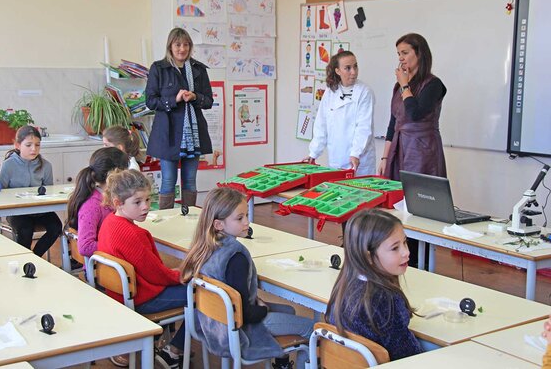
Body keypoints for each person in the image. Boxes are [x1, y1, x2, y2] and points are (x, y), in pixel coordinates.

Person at [180, 187, 314, 369]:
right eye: (239, 218)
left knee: (288, 310)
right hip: (240, 328)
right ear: (218, 225)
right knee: (311, 329)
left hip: (212, 324)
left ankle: (281, 364)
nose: (247, 222)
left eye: (246, 216)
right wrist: (263, 309)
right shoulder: (237, 257)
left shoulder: (205, 247)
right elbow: (246, 313)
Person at [98, 169, 186, 368]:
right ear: (118, 203)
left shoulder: (109, 222)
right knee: (206, 294)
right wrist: (182, 274)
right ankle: (174, 351)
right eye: (137, 202)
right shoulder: (134, 234)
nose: (145, 206)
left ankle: (161, 340)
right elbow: (158, 275)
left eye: (147, 199)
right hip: (142, 298)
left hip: (122, 294)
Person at [326, 209, 422, 361]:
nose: (406, 252)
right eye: (395, 248)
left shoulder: (344, 285)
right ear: (368, 256)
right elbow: (408, 355)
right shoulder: (386, 300)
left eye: (405, 242)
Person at [145, 27, 213, 210]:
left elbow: (208, 101)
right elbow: (150, 101)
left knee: (190, 180)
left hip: (194, 135)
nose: (182, 49)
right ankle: (166, 221)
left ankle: (188, 218)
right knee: (168, 180)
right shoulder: (159, 68)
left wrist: (195, 97)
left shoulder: (198, 69)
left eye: (186, 45)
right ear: (170, 46)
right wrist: (174, 99)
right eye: (178, 45)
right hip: (168, 133)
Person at [377, 33, 447, 180]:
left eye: (405, 53)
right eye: (398, 54)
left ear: (419, 54)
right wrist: (385, 158)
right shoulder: (398, 87)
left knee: (419, 191)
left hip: (422, 151)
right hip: (398, 149)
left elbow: (414, 114)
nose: (400, 58)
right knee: (396, 191)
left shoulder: (433, 84)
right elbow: (393, 124)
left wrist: (404, 85)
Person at [304, 50, 376, 176]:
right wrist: (313, 153)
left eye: (355, 66)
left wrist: (356, 153)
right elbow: (321, 124)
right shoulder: (330, 91)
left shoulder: (364, 92)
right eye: (348, 68)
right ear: (338, 71)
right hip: (336, 158)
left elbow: (364, 127)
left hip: (360, 161)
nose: (353, 72)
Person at [0, 126, 61, 257]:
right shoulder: (8, 165)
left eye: (37, 145)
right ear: (17, 145)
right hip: (17, 211)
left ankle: (35, 257)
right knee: (25, 230)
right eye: (28, 145)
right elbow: (0, 191)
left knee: (56, 227)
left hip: (40, 210)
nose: (34, 149)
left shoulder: (46, 165)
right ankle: (25, 261)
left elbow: (49, 190)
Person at [65, 147, 129, 258]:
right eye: (126, 172)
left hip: (115, 261)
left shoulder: (113, 197)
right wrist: (118, 246)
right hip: (104, 265)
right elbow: (85, 247)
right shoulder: (92, 205)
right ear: (114, 174)